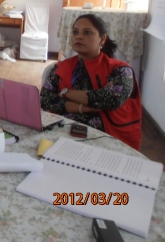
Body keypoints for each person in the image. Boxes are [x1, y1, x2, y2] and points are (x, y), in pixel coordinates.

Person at [40, 14, 142, 150]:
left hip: (108, 141)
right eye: (75, 32)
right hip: (63, 137)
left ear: (102, 39)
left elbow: (112, 99)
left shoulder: (121, 70)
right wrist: (90, 105)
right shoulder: (60, 68)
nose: (79, 36)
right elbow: (45, 99)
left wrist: (64, 93)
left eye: (87, 32)